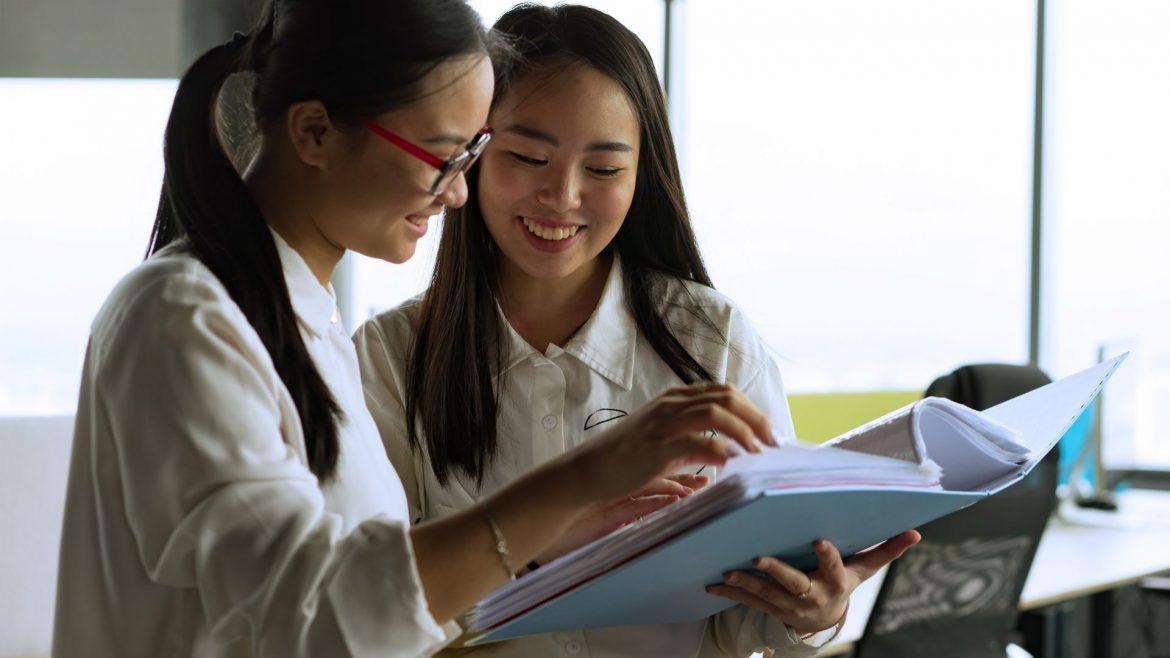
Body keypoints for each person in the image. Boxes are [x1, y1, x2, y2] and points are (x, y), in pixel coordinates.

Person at [51, 2, 776, 656]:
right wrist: (576, 480)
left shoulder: (302, 320)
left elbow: (374, 598)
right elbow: (312, 619)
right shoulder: (186, 317)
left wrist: (548, 544)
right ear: (314, 132)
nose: (458, 191)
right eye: (447, 156)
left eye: (469, 156)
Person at [354, 4, 919, 657]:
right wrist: (539, 549)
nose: (562, 196)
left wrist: (810, 610)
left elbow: (753, 623)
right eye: (529, 156)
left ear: (640, 177)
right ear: (473, 154)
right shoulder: (389, 359)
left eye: (602, 170)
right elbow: (368, 618)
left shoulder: (713, 339)